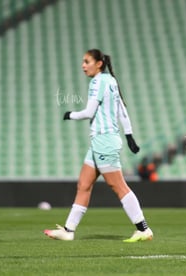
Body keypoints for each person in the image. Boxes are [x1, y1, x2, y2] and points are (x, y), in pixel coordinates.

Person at [44, 49, 153, 242]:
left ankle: (143, 229)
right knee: (83, 185)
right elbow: (122, 111)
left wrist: (70, 114)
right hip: (101, 141)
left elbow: (89, 111)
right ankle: (68, 230)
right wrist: (129, 136)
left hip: (104, 140)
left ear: (99, 64)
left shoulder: (98, 82)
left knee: (118, 186)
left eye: (87, 62)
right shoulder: (111, 81)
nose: (83, 65)